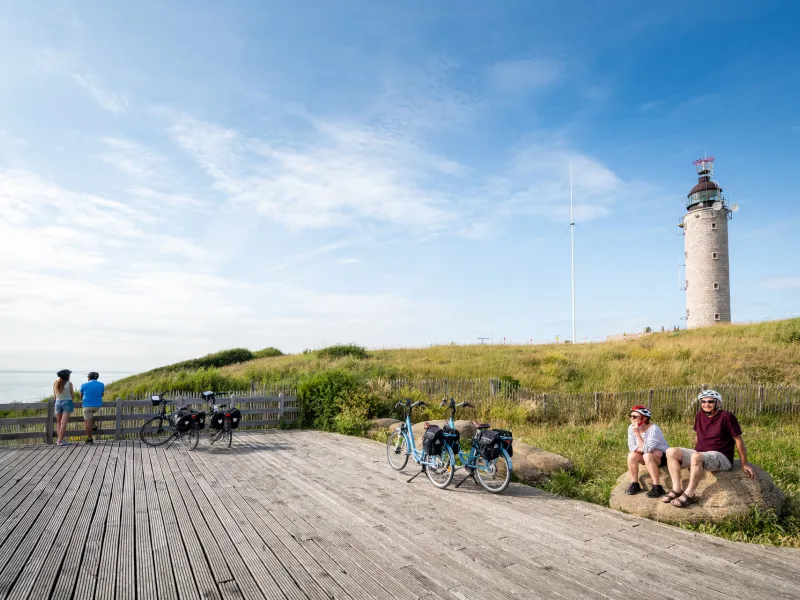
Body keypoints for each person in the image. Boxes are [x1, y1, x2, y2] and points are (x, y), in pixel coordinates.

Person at [663, 389, 756, 507]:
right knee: (671, 451)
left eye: (710, 401)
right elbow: (698, 435)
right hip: (702, 453)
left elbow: (738, 440)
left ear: (718, 403)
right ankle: (677, 489)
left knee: (696, 456)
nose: (706, 404)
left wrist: (744, 464)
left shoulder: (727, 417)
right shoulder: (699, 414)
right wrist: (694, 458)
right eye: (703, 401)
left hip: (722, 456)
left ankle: (690, 495)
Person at [625, 405, 670, 498]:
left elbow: (647, 449)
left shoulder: (653, 429)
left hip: (663, 456)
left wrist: (637, 433)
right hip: (650, 453)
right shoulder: (631, 427)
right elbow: (632, 447)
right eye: (631, 416)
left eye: (634, 417)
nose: (631, 418)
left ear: (644, 418)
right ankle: (635, 483)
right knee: (631, 456)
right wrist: (652, 450)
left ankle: (657, 487)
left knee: (647, 456)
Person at [80, 372, 105, 444]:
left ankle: (90, 438)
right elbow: (102, 394)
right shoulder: (101, 384)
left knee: (87, 423)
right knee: (91, 415)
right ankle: (93, 425)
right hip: (98, 406)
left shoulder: (84, 385)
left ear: (89, 377)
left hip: (87, 406)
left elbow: (81, 395)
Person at [53, 369, 74, 446]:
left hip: (58, 403)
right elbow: (72, 395)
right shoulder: (69, 384)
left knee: (59, 422)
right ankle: (59, 440)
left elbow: (54, 396)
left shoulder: (55, 383)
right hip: (67, 402)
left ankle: (60, 439)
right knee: (63, 423)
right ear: (67, 376)